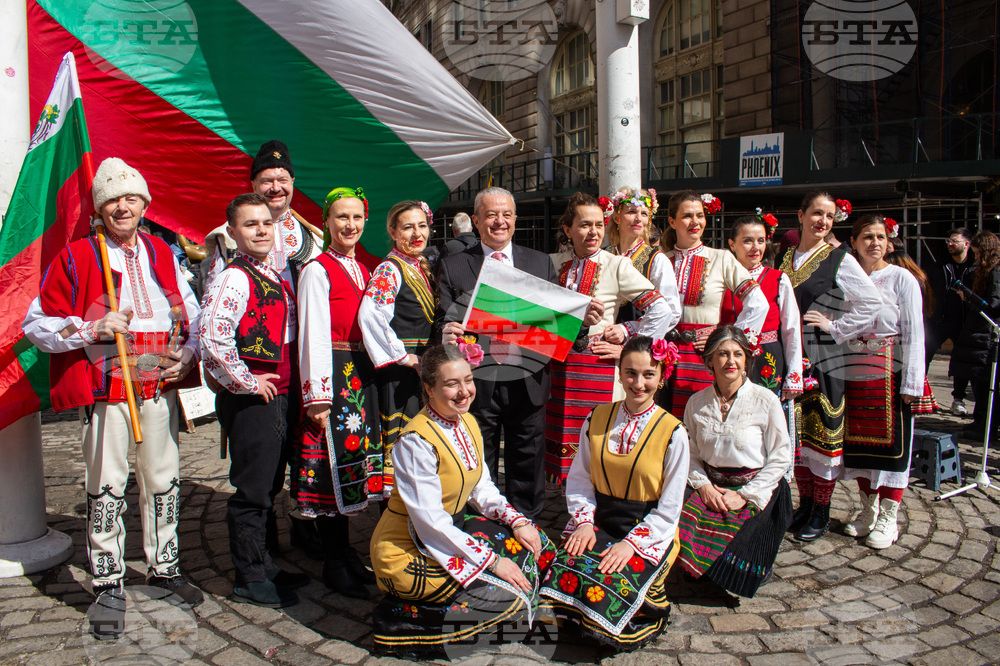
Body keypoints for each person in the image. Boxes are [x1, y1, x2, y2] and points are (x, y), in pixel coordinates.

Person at [22, 158, 203, 639]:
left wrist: (187, 351)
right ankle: (107, 582)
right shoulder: (79, 256)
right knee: (106, 481)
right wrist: (91, 327)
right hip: (107, 382)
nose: (123, 207)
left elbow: (193, 312)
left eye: (132, 198)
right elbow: (36, 324)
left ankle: (165, 567)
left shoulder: (163, 252)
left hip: (156, 380)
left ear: (145, 204)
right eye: (112, 200)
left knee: (163, 478)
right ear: (99, 209)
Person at [370, 344, 552, 656]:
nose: (464, 392)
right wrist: (494, 563)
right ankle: (399, 622)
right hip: (406, 548)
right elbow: (431, 524)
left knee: (538, 547)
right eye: (451, 384)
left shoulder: (466, 421)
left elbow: (482, 488)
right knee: (507, 600)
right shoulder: (415, 442)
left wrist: (518, 521)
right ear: (428, 388)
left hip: (451, 534)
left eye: (468, 380)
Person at [435, 186, 601, 518]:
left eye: (507, 215)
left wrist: (582, 322)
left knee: (528, 461)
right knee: (476, 460)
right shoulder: (453, 266)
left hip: (529, 380)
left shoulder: (539, 262)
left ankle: (528, 528)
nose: (500, 222)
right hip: (476, 384)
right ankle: (479, 528)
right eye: (492, 215)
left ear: (515, 220)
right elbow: (441, 319)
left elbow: (554, 324)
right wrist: (444, 332)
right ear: (478, 220)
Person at [202, 139, 324, 558]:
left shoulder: (312, 238)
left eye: (282, 180)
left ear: (293, 184)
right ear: (254, 184)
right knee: (261, 468)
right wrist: (235, 374)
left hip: (300, 361)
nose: (276, 187)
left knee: (303, 456)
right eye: (266, 180)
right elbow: (215, 311)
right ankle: (263, 557)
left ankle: (305, 537)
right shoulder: (225, 239)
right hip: (258, 362)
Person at [539, 336, 687, 646]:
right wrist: (582, 522)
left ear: (661, 378)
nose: (638, 383)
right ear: (619, 374)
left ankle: (651, 614)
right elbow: (579, 479)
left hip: (647, 532)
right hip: (599, 523)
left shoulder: (673, 432)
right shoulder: (597, 417)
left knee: (604, 604)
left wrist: (630, 546)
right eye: (631, 373)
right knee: (555, 590)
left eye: (648, 374)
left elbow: (669, 509)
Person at [200, 193, 310, 606]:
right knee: (252, 490)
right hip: (254, 400)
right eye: (251, 224)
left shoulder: (270, 273)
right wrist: (245, 380)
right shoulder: (234, 276)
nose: (262, 230)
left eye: (266, 222)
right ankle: (248, 576)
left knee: (269, 484)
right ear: (232, 232)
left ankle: (265, 564)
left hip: (278, 395)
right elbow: (211, 335)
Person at [545, 192, 674, 486]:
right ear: (567, 230)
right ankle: (568, 503)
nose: (593, 232)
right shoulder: (552, 263)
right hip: (557, 365)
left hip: (596, 366)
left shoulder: (616, 265)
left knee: (598, 437)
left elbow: (661, 309)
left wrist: (628, 341)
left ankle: (597, 501)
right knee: (555, 437)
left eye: (599, 225)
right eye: (584, 225)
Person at [296, 186, 385, 599]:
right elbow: (312, 331)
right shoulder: (318, 268)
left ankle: (346, 553)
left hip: (358, 377)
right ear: (327, 223)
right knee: (333, 470)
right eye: (341, 218)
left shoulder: (362, 269)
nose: (350, 225)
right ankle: (334, 561)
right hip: (333, 374)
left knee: (350, 466)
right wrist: (317, 394)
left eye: (356, 218)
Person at [778, 192, 882, 543]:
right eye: (816, 214)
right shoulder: (786, 256)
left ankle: (821, 511)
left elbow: (871, 302)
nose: (822, 221)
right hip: (787, 355)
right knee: (798, 436)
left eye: (829, 216)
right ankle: (804, 505)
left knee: (821, 434)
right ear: (801, 215)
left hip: (822, 357)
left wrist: (836, 326)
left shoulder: (840, 259)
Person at [677, 326, 792, 598]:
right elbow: (689, 455)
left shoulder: (766, 401)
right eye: (722, 354)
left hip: (756, 489)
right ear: (709, 362)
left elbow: (780, 457)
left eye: (738, 354)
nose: (731, 361)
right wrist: (704, 487)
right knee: (688, 562)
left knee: (738, 569)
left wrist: (745, 496)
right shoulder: (696, 403)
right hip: (710, 490)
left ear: (746, 362)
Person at [834, 215, 924, 549]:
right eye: (867, 237)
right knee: (859, 447)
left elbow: (915, 331)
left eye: (880, 237)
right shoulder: (845, 277)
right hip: (854, 369)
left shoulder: (902, 279)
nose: (874, 242)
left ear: (889, 242)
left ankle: (889, 517)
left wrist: (912, 382)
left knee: (893, 450)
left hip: (892, 369)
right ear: (854, 242)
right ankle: (867, 511)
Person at [658, 190, 768, 418]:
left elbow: (758, 303)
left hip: (701, 354)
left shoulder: (721, 258)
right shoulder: (660, 260)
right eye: (687, 215)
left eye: (700, 215)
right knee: (662, 420)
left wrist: (726, 339)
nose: (695, 221)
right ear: (672, 221)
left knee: (701, 420)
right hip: (660, 353)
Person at [359, 201, 436, 491]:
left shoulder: (418, 266)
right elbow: (371, 314)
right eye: (407, 227)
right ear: (393, 231)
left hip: (417, 370)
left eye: (422, 225)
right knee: (402, 442)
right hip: (399, 374)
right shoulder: (389, 269)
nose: (417, 234)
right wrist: (403, 357)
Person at [721, 212, 803, 399]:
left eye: (761, 241)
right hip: (728, 358)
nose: (756, 248)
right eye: (748, 241)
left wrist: (794, 375)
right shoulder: (721, 280)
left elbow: (791, 329)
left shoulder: (778, 279)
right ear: (732, 244)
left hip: (768, 358)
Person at [607, 186, 682, 335]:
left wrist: (627, 329)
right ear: (617, 218)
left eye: (644, 214)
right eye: (631, 212)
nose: (638, 218)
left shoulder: (657, 260)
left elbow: (671, 313)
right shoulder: (605, 255)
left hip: (637, 344)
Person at [951, 231, 1000, 440]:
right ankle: (981, 420)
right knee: (979, 380)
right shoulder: (983, 271)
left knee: (987, 384)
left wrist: (970, 298)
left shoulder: (995, 272)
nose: (976, 256)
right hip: (979, 332)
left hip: (987, 333)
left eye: (979, 252)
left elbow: (994, 305)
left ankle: (986, 425)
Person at [927, 228, 975, 415]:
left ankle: (958, 399)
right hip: (938, 319)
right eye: (949, 240)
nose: (950, 244)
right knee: (925, 355)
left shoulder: (974, 267)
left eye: (954, 240)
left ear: (966, 244)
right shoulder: (940, 265)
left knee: (960, 361)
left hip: (963, 321)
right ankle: (922, 395)